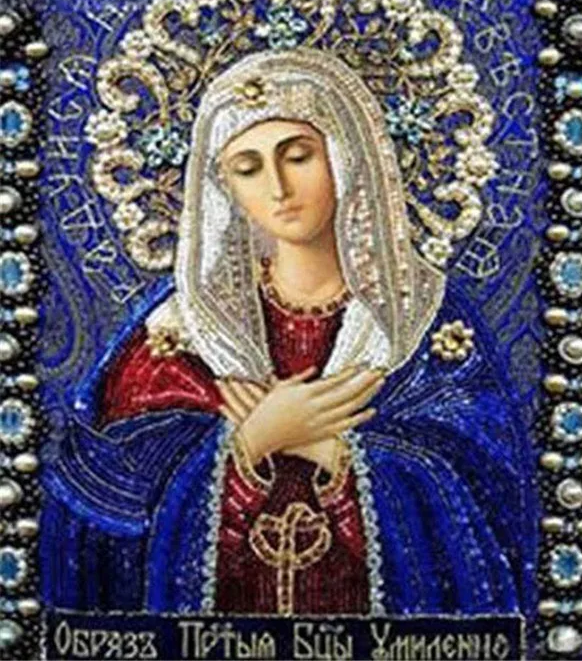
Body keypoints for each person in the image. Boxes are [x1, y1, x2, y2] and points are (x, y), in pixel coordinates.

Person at [41, 48, 536, 618]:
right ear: (223, 188)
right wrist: (251, 441)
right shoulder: (179, 333)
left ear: (347, 156)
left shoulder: (427, 323)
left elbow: (496, 502)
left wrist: (332, 451)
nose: (277, 187)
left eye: (298, 155)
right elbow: (96, 517)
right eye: (247, 167)